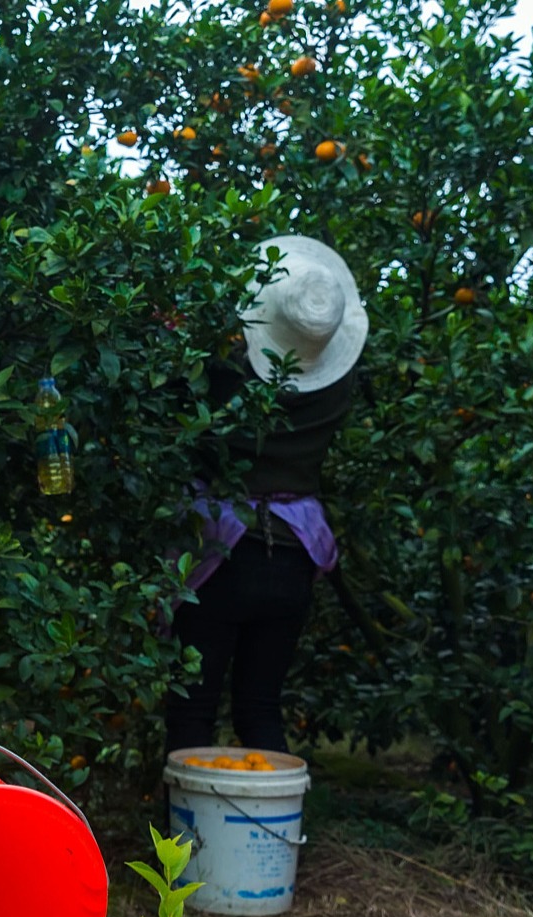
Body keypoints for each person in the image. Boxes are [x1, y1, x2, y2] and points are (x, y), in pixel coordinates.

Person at [164, 236, 367, 754]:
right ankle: (269, 833)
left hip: (223, 552)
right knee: (260, 707)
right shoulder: (338, 386)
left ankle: (186, 838)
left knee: (194, 706)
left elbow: (180, 419)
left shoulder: (229, 372)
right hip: (295, 555)